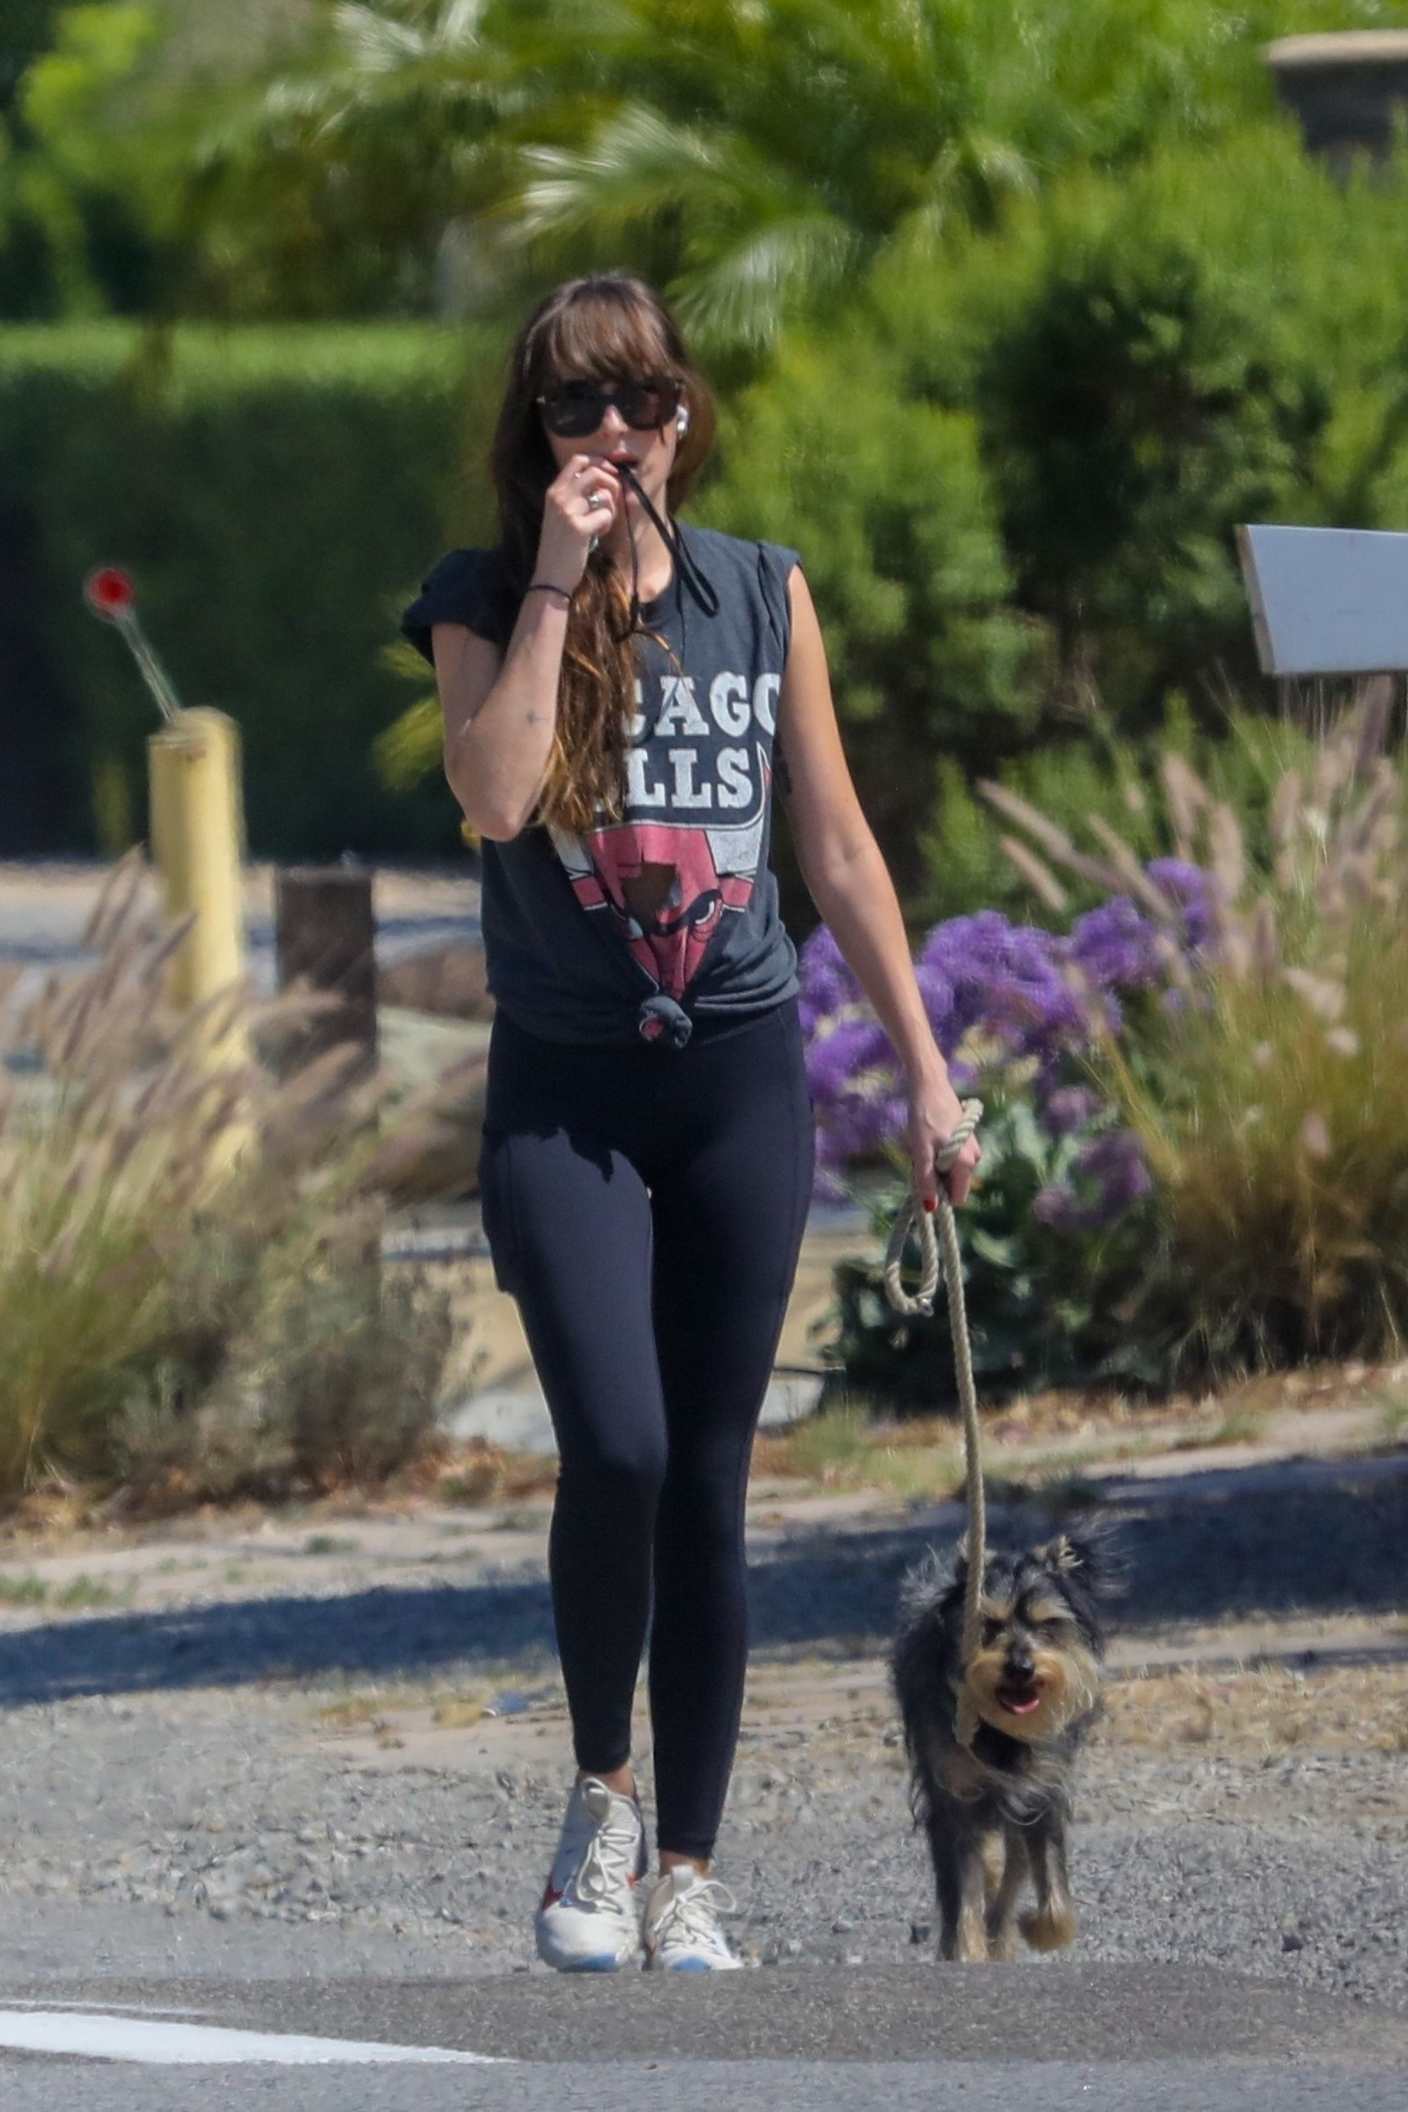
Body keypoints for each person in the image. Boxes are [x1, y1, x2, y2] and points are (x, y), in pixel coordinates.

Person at [400, 271, 981, 1974]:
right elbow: (496, 795)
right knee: (624, 1449)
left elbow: (842, 851)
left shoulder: (760, 592)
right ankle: (599, 1810)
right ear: (538, 435)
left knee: (712, 1481)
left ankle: (693, 1876)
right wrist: (564, 580)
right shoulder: (481, 595)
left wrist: (931, 1074)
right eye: (577, 409)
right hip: (566, 1086)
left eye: (643, 404)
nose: (616, 437)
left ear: (684, 418)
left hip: (735, 1069)